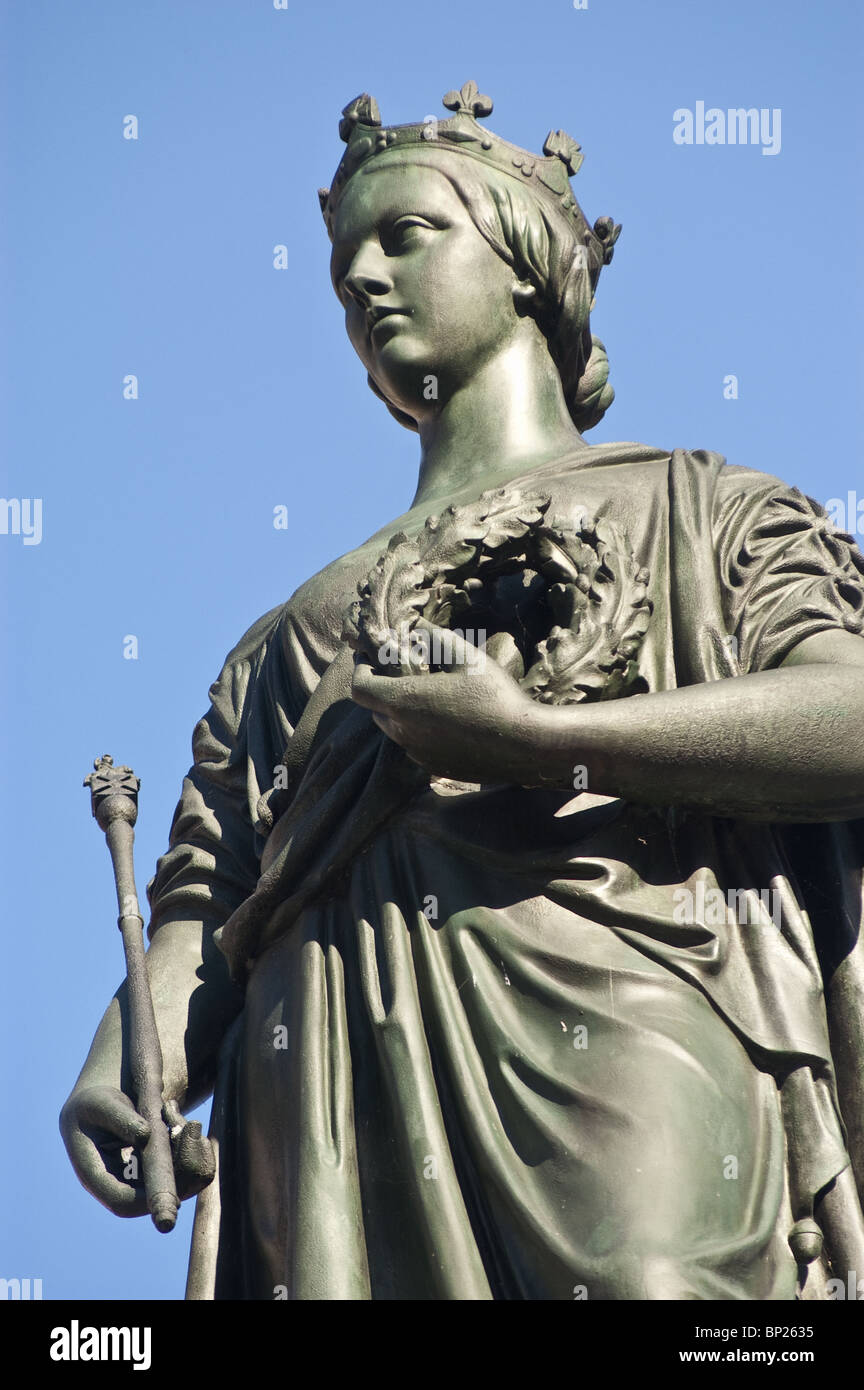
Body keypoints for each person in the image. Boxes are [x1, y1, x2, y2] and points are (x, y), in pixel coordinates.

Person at [61, 83, 864, 1301]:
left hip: (628, 1009)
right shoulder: (282, 642)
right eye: (341, 275)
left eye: (405, 238)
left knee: (660, 1286)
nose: (364, 284)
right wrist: (134, 1047)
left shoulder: (709, 512)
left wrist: (545, 741)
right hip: (330, 1081)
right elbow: (210, 899)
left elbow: (848, 716)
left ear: (527, 259)